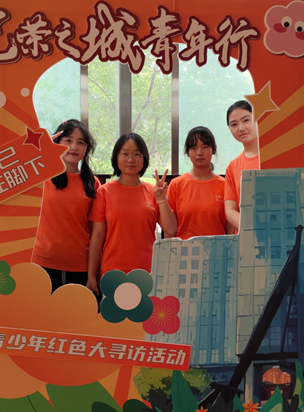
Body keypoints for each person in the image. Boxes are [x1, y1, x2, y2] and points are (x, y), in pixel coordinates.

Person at [86, 132, 177, 294]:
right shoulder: (104, 192)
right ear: (116, 157)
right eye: (125, 154)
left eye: (136, 154)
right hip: (113, 273)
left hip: (147, 273)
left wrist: (162, 200)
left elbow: (171, 229)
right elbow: (97, 236)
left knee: (146, 311)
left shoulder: (153, 192)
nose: (131, 159)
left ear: (144, 159)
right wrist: (92, 274)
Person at [31, 119, 100, 292]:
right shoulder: (41, 175)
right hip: (42, 262)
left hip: (80, 266)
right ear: (57, 142)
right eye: (68, 140)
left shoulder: (93, 183)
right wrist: (40, 150)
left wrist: (92, 274)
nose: (74, 147)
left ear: (86, 148)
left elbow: (96, 233)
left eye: (81, 142)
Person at [167, 126, 226, 240]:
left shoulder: (225, 185)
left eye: (205, 147)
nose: (199, 153)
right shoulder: (176, 185)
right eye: (194, 148)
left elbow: (230, 228)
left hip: (218, 249)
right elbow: (169, 230)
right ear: (188, 152)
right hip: (184, 250)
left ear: (214, 149)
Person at [224, 100, 260, 233]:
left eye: (246, 120)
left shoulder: (277, 156)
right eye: (234, 124)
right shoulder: (232, 166)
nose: (241, 128)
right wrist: (253, 229)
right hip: (246, 237)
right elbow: (230, 210)